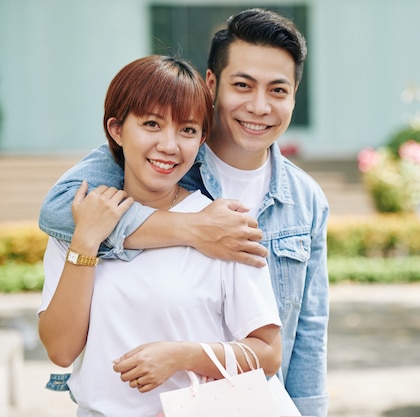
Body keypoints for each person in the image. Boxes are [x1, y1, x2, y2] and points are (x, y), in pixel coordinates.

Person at [39, 8, 329, 417]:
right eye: (243, 84)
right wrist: (190, 230)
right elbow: (57, 209)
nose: (259, 106)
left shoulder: (300, 201)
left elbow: (302, 337)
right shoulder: (101, 198)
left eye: (278, 91)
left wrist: (182, 358)